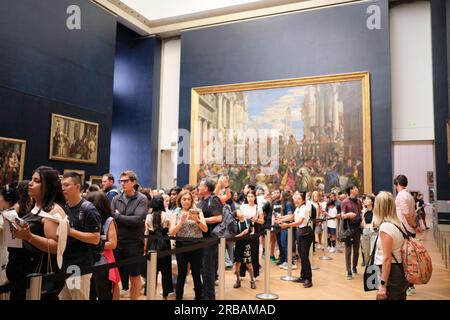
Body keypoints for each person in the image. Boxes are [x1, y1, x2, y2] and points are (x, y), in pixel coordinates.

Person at [6, 166, 66, 300]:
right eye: (32, 180)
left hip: (37, 278)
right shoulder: (36, 205)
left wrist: (29, 237)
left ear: (48, 186)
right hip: (22, 275)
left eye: (37, 181)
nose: (30, 183)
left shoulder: (53, 211)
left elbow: (56, 247)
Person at [60, 171, 102, 300]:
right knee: (64, 298)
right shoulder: (64, 207)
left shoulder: (88, 209)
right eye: (62, 185)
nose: (63, 188)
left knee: (78, 297)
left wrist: (71, 232)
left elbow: (95, 238)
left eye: (67, 185)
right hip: (64, 262)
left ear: (77, 187)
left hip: (79, 264)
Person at [111, 170, 148, 300]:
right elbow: (112, 219)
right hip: (117, 242)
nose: (122, 183)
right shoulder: (116, 198)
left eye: (126, 181)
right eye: (121, 181)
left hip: (134, 242)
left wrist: (118, 216)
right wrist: (122, 218)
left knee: (134, 275)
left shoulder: (142, 199)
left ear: (134, 182)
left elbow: (136, 220)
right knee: (114, 277)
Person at [169, 190, 208, 300]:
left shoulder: (198, 211)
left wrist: (197, 220)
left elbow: (205, 229)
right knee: (181, 273)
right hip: (181, 245)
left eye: (188, 199)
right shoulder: (176, 213)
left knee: (196, 272)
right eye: (184, 199)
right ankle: (179, 297)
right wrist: (180, 223)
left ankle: (199, 297)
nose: (186, 201)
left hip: (197, 246)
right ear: (180, 201)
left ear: (192, 200)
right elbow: (171, 232)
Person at [373, 191, 409, 300]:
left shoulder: (386, 227)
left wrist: (383, 285)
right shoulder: (397, 223)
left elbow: (387, 258)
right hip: (399, 270)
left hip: (391, 274)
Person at [86, 191, 120, 300]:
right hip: (86, 261)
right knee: (88, 293)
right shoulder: (86, 220)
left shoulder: (109, 221)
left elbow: (112, 244)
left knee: (103, 292)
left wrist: (94, 242)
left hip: (102, 262)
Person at [280, 192, 313, 288]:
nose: (296, 200)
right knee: (302, 256)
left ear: (303, 200)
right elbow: (292, 217)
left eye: (299, 199)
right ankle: (303, 277)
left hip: (306, 235)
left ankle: (309, 280)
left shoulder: (304, 208)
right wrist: (281, 218)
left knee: (304, 256)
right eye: (296, 198)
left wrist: (287, 225)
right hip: (301, 234)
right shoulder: (298, 208)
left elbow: (300, 221)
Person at [197, 178, 223, 300]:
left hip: (210, 238)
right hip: (200, 238)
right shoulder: (202, 200)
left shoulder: (214, 200)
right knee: (202, 267)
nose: (198, 187)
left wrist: (201, 220)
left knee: (208, 268)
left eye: (201, 185)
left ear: (206, 188)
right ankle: (204, 293)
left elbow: (218, 218)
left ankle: (210, 296)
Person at [394, 174, 419, 295]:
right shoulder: (408, 195)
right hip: (409, 229)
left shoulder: (401, 195)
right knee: (408, 258)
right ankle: (409, 285)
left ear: (397, 184)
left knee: (405, 259)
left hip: (406, 230)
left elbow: (407, 215)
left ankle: (409, 285)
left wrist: (414, 225)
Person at [144, 195, 173, 299]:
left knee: (152, 269)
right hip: (165, 242)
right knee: (166, 269)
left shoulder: (148, 216)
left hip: (152, 242)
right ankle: (166, 293)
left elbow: (146, 233)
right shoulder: (167, 215)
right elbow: (170, 231)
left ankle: (150, 293)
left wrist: (145, 248)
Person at [238, 190, 264, 278]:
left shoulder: (258, 207)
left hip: (254, 232)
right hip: (244, 231)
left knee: (254, 252)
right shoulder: (243, 206)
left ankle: (255, 274)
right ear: (246, 197)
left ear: (255, 197)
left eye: (252, 196)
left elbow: (262, 221)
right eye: (248, 196)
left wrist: (255, 220)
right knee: (242, 252)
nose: (250, 198)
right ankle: (241, 274)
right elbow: (239, 218)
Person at [339, 185, 362, 280]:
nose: (357, 189)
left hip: (357, 228)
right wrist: (347, 215)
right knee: (348, 251)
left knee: (356, 250)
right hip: (348, 228)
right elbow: (342, 215)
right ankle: (348, 271)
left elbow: (360, 213)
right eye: (355, 188)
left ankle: (354, 267)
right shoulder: (345, 202)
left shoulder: (359, 201)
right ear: (351, 190)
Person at [233, 209, 256, 289]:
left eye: (240, 210)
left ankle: (252, 281)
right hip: (238, 245)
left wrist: (250, 233)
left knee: (249, 264)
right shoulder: (235, 224)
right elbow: (234, 237)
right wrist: (242, 233)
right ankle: (238, 280)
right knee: (237, 264)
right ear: (236, 216)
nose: (241, 211)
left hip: (247, 245)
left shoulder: (249, 221)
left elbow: (253, 231)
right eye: (238, 211)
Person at [361, 195, 376, 267]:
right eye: (365, 199)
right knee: (366, 253)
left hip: (373, 233)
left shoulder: (376, 211)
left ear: (372, 202)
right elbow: (363, 224)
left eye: (368, 199)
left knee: (372, 253)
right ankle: (368, 271)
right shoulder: (364, 211)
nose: (365, 200)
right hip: (365, 233)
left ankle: (374, 270)